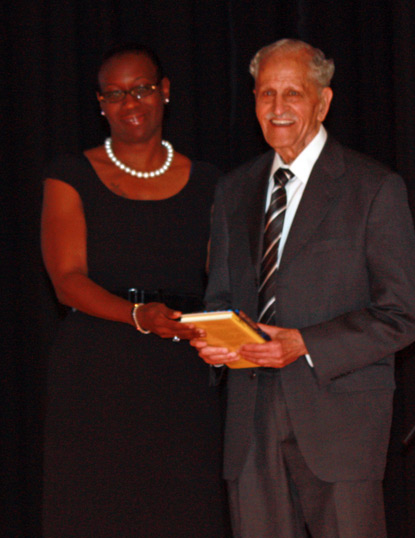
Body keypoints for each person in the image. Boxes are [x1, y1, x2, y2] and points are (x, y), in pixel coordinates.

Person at [191, 38, 415, 538]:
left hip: (338, 428)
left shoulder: (374, 188)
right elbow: (222, 301)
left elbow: (403, 314)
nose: (277, 109)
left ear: (323, 102)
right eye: (265, 94)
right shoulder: (233, 190)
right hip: (250, 431)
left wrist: (304, 344)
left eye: (292, 94)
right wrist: (215, 342)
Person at [41, 43, 230, 537]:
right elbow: (66, 281)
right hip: (96, 374)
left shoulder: (211, 181)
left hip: (180, 375)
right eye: (116, 93)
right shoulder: (70, 175)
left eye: (142, 89)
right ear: (100, 103)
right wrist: (137, 315)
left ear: (164, 92)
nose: (131, 103)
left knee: (184, 513)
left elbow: (226, 280)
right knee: (98, 513)